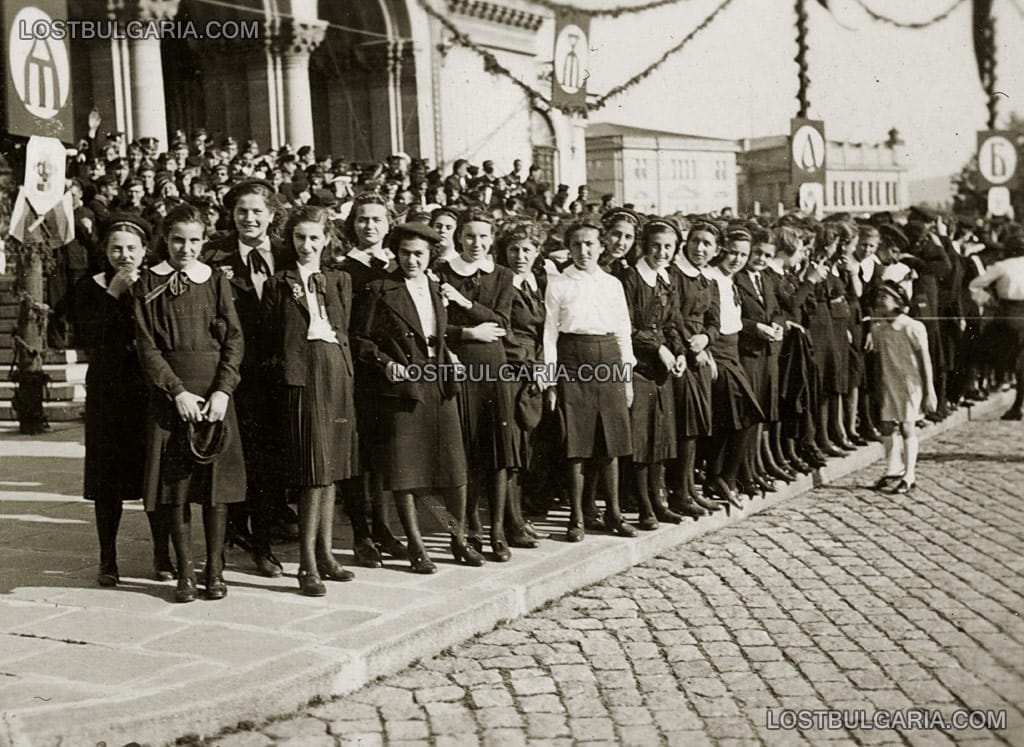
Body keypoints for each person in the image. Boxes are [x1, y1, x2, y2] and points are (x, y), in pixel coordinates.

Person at [351, 222, 485, 572]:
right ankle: (416, 546)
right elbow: (360, 340)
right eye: (405, 253)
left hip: (439, 385)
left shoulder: (437, 286)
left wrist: (450, 357)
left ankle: (458, 539)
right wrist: (386, 364)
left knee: (454, 471)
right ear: (395, 254)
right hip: (403, 388)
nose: (412, 260)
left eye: (419, 254)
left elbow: (439, 335)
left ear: (430, 256)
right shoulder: (380, 289)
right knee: (406, 472)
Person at [134, 204, 246, 603]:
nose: (186, 248)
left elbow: (234, 339)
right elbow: (147, 347)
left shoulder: (215, 281)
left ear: (204, 240)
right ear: (165, 239)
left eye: (195, 240)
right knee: (174, 490)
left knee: (214, 490)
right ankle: (184, 574)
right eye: (178, 239)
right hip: (172, 398)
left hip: (214, 395)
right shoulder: (148, 283)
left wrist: (222, 391)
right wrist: (176, 391)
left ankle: (214, 571)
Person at [261, 206, 357, 595]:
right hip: (302, 374)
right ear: (291, 240)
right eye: (300, 237)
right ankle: (306, 564)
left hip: (335, 369)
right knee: (312, 470)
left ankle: (326, 554)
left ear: (326, 240)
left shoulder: (339, 280)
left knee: (330, 467)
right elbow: (269, 337)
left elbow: (343, 328)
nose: (307, 245)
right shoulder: (279, 283)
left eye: (314, 237)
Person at [71, 213, 172, 586]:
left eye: (131, 248)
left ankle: (162, 555)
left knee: (154, 476)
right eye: (116, 248)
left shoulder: (155, 283)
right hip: (109, 394)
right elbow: (90, 336)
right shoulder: (91, 287)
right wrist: (114, 292)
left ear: (145, 251)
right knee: (108, 481)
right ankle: (108, 560)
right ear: (105, 251)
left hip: (148, 391)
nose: (124, 255)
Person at [201, 179, 293, 578]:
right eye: (241, 211)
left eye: (257, 211)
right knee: (238, 458)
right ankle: (245, 537)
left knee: (271, 460)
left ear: (272, 216)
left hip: (280, 373)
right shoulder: (213, 256)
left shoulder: (289, 255)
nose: (249, 218)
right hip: (232, 374)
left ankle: (263, 535)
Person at [542, 219, 637, 541]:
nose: (584, 251)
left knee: (610, 442)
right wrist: (552, 379)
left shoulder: (612, 284)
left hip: (608, 357)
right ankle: (577, 517)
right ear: (569, 248)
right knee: (577, 443)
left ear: (601, 247)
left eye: (590, 244)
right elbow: (550, 334)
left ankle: (613, 513)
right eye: (577, 245)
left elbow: (623, 330)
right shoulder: (558, 284)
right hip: (572, 358)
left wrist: (626, 378)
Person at [435, 210, 519, 562]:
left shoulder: (502, 275)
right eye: (470, 236)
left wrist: (464, 303)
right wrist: (466, 331)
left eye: (484, 237)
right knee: (466, 453)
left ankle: (497, 529)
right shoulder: (442, 273)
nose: (477, 244)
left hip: (494, 366)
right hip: (460, 366)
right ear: (459, 238)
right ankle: (471, 527)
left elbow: (501, 322)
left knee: (497, 453)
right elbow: (436, 325)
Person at [336, 193, 408, 567]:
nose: (370, 226)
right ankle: (362, 535)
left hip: (394, 374)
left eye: (378, 220)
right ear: (353, 224)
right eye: (363, 219)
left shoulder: (399, 265)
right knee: (358, 457)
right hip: (358, 371)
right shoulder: (343, 268)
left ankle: (383, 528)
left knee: (382, 455)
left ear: (388, 224)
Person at [620, 218, 689, 529]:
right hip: (639, 366)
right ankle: (644, 505)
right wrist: (659, 348)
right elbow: (628, 327)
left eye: (668, 247)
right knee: (641, 438)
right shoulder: (631, 279)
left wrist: (679, 352)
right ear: (645, 245)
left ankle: (659, 500)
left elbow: (673, 322)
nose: (661, 252)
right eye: (656, 246)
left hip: (661, 369)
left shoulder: (666, 279)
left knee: (661, 436)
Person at [496, 219, 550, 547]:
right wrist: (530, 367)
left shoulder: (537, 283)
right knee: (511, 449)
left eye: (527, 249)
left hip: (534, 371)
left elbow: (546, 331)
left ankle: (518, 518)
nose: (519, 255)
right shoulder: (502, 283)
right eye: (513, 249)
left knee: (525, 447)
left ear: (537, 252)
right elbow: (505, 331)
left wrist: (543, 367)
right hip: (511, 369)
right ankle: (509, 522)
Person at [702, 226, 765, 506]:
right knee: (743, 414)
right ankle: (720, 477)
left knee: (739, 417)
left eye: (743, 254)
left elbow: (736, 321)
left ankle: (722, 477)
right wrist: (708, 353)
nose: (737, 259)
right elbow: (706, 321)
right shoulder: (710, 278)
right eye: (732, 253)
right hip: (718, 352)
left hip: (733, 350)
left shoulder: (731, 280)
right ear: (721, 251)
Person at [667, 220, 723, 518]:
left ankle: (690, 489)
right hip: (681, 354)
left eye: (707, 244)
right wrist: (691, 345)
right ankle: (679, 491)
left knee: (698, 425)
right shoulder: (675, 275)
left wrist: (706, 340)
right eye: (696, 241)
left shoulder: (708, 280)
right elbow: (673, 316)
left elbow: (715, 321)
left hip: (701, 355)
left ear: (716, 251)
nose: (700, 248)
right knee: (685, 425)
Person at [870, 281, 936, 494]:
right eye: (879, 297)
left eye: (885, 298)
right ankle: (893, 469)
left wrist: (929, 391)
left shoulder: (912, 327)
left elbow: (924, 360)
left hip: (910, 384)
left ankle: (909, 475)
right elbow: (880, 359)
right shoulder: (878, 328)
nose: (880, 301)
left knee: (907, 427)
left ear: (898, 301)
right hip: (889, 383)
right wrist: (880, 386)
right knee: (887, 426)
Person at [735, 228, 787, 490]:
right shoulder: (737, 278)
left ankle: (756, 468)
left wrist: (778, 325)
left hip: (768, 354)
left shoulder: (766, 279)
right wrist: (756, 328)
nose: (761, 259)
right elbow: (733, 318)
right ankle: (745, 472)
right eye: (757, 253)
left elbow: (777, 309)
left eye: (767, 255)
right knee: (749, 414)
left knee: (763, 413)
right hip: (748, 354)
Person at [968, 234, 1024, 420]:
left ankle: (996, 382)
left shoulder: (1003, 266)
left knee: (988, 350)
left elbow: (974, 285)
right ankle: (1017, 403)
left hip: (1009, 313)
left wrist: (988, 299)